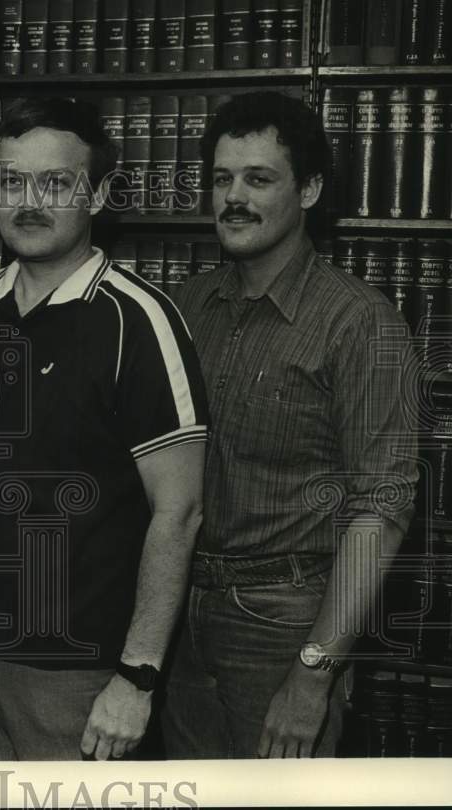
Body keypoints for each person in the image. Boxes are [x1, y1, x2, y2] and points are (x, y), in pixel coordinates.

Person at [0, 97, 208, 760]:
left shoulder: (138, 321)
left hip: (77, 677)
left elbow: (181, 509)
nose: (28, 200)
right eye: (11, 180)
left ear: (99, 194)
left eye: (55, 183)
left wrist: (137, 677)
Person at [164, 92, 419, 758]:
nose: (234, 197)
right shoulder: (187, 308)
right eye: (222, 179)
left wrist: (314, 674)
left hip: (284, 623)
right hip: (182, 617)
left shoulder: (360, 322)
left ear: (308, 189)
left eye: (258, 178)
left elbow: (382, 508)